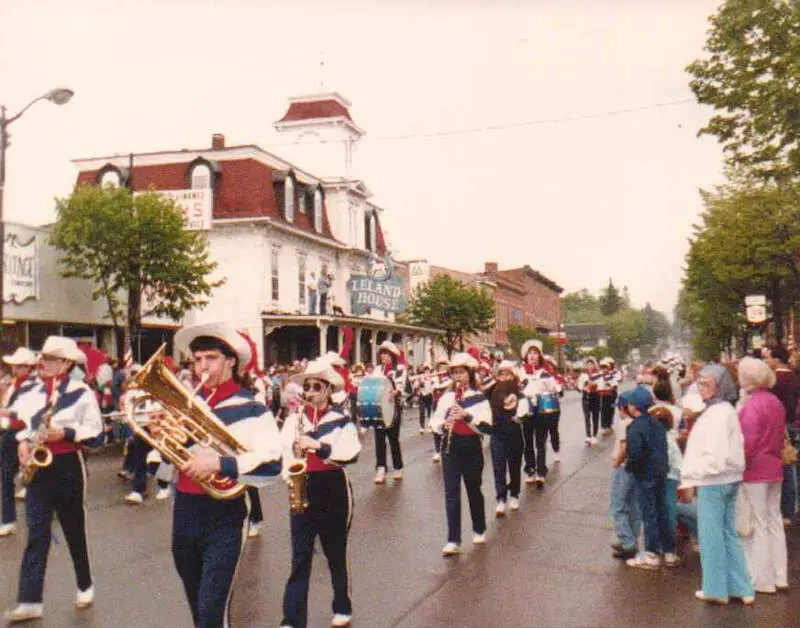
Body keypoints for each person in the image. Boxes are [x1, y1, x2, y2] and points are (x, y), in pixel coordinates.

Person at [166, 322, 282, 627]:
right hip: (185, 512)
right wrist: (161, 437)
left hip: (224, 516)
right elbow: (165, 465)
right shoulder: (189, 405)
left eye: (211, 358)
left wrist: (221, 464)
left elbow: (272, 467)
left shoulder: (252, 409)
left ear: (231, 361)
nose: (202, 366)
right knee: (197, 606)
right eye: (197, 359)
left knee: (210, 611)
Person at [5, 337, 103, 623]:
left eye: (49, 359)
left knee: (74, 529)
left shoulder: (82, 392)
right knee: (36, 532)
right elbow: (22, 425)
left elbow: (97, 433)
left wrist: (67, 434)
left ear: (66, 364)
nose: (42, 363)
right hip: (39, 466)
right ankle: (30, 600)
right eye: (43, 358)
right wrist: (22, 445)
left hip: (68, 466)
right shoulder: (32, 392)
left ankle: (85, 583)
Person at [279, 357, 361, 628]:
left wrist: (318, 445)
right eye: (308, 387)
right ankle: (292, 619)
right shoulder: (294, 420)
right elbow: (282, 454)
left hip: (332, 488)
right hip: (303, 486)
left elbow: (350, 453)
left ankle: (342, 606)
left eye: (316, 387)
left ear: (328, 390)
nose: (310, 392)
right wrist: (290, 469)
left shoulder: (341, 421)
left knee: (335, 551)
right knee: (300, 556)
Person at [679, 364, 754, 605]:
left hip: (714, 480)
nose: (701, 388)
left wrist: (695, 476)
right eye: (700, 383)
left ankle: (715, 589)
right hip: (728, 479)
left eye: (707, 384)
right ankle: (741, 587)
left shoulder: (717, 414)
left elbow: (715, 455)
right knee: (727, 534)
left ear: (720, 386)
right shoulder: (724, 410)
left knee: (711, 536)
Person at [429, 352, 492, 556]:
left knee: (473, 489)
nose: (458, 377)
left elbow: (486, 428)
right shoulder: (447, 397)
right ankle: (453, 539)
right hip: (450, 447)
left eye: (462, 373)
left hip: (471, 446)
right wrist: (442, 425)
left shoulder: (479, 398)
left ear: (470, 374)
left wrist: (467, 416)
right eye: (455, 373)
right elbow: (435, 420)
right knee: (451, 493)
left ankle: (479, 528)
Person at [737, 357, 788, 595]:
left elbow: (747, 442)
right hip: (775, 466)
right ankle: (780, 575)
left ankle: (763, 579)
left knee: (759, 522)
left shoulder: (751, 406)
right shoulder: (775, 402)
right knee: (774, 520)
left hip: (755, 469)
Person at [623, 386, 677, 570]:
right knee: (662, 511)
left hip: (645, 474)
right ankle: (669, 550)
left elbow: (635, 454)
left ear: (633, 406)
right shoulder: (657, 425)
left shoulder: (634, 428)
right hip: (661, 471)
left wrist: (630, 467)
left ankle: (651, 553)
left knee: (649, 513)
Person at [0, 347, 39, 537]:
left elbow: (19, 410)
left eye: (16, 365)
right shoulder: (16, 384)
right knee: (6, 476)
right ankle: (8, 519)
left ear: (25, 367)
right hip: (11, 432)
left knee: (27, 475)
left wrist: (5, 410)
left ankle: (12, 519)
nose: (12, 368)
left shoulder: (33, 386)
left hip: (23, 433)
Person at [765, 345, 799, 524]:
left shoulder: (774, 380)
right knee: (791, 462)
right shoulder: (794, 376)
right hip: (792, 422)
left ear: (776, 359)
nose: (767, 361)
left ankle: (785, 509)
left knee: (784, 466)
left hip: (780, 425)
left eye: (768, 357)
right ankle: (792, 504)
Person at [489, 360, 526, 517]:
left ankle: (514, 494)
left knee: (514, 464)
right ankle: (500, 498)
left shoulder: (519, 392)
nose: (504, 377)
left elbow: (525, 408)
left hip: (513, 430)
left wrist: (520, 416)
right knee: (498, 465)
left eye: (508, 373)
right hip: (497, 431)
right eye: (501, 374)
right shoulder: (492, 391)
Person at [372, 341, 406, 484]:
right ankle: (381, 468)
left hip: (393, 407)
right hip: (378, 408)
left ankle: (398, 467)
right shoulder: (377, 369)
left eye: (386, 354)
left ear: (392, 355)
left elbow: (401, 384)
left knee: (393, 439)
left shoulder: (399, 368)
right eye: (382, 354)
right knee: (379, 440)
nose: (383, 357)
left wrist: (396, 391)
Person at [578, 357, 603, 445]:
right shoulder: (583, 375)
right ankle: (588, 435)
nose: (589, 366)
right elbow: (579, 387)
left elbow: (601, 386)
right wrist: (584, 385)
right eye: (588, 364)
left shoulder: (598, 375)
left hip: (595, 397)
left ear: (594, 365)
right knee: (587, 416)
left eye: (591, 364)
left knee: (595, 417)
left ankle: (594, 435)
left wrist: (594, 385)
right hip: (586, 397)